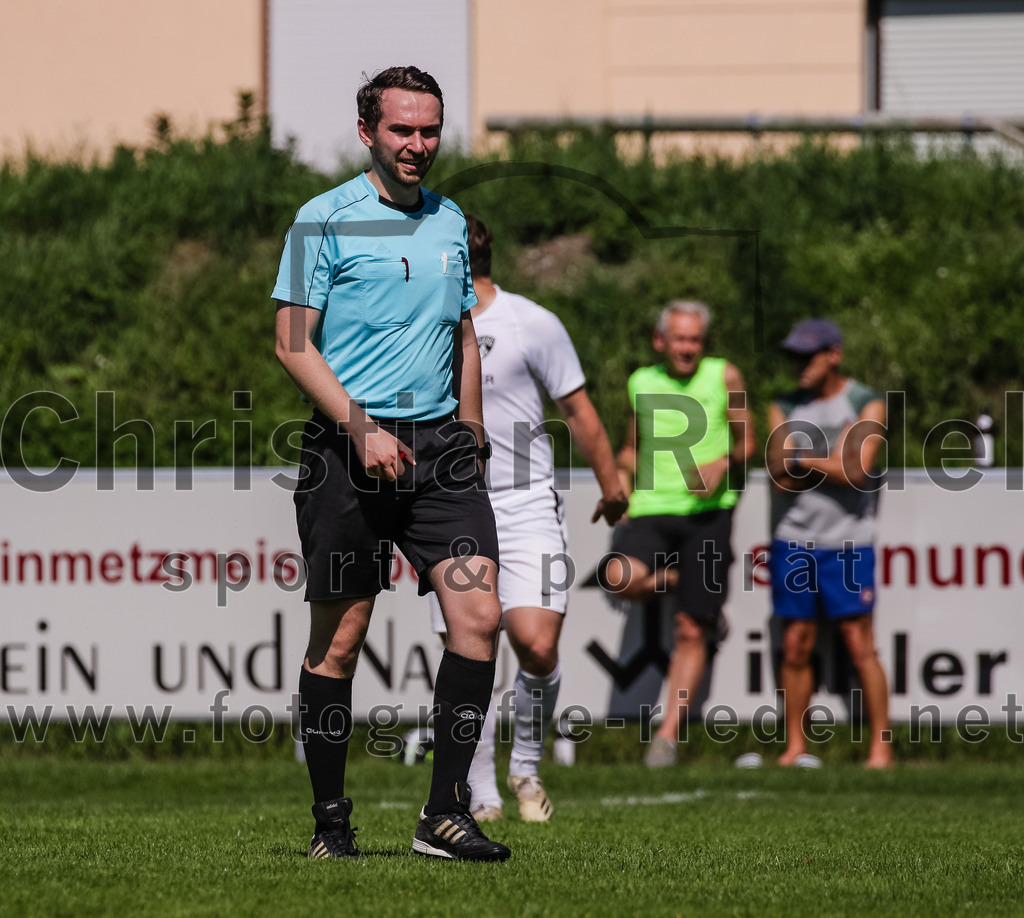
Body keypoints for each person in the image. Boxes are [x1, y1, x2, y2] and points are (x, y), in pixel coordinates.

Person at [272, 66, 510, 862]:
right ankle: (331, 824)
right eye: (403, 130)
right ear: (369, 131)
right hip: (346, 449)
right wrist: (363, 428)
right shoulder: (322, 219)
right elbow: (292, 342)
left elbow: (462, 332)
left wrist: (470, 427)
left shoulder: (451, 222)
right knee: (340, 640)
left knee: (479, 618)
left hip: (441, 452)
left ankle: (445, 814)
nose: (418, 145)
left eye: (430, 130)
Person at [429, 215, 628, 822]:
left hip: (526, 503)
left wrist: (611, 483)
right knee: (471, 650)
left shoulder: (530, 322)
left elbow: (579, 408)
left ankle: (526, 766)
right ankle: (481, 792)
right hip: (450, 504)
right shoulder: (421, 326)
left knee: (537, 646)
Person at [600, 301, 755, 767]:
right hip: (651, 508)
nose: (688, 348)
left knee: (689, 628)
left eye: (695, 340)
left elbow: (750, 441)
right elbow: (629, 448)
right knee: (619, 577)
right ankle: (692, 588)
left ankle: (666, 735)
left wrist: (724, 462)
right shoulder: (640, 382)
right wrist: (619, 484)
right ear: (660, 341)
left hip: (708, 513)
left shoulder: (726, 376)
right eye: (680, 339)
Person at [766, 318, 892, 769]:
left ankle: (881, 748)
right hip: (794, 541)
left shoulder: (864, 401)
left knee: (860, 644)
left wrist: (801, 457)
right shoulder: (782, 405)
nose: (798, 365)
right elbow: (780, 478)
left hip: (849, 543)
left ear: (834, 355)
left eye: (808, 356)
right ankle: (795, 746)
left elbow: (858, 470)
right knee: (796, 643)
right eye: (793, 356)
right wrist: (830, 458)